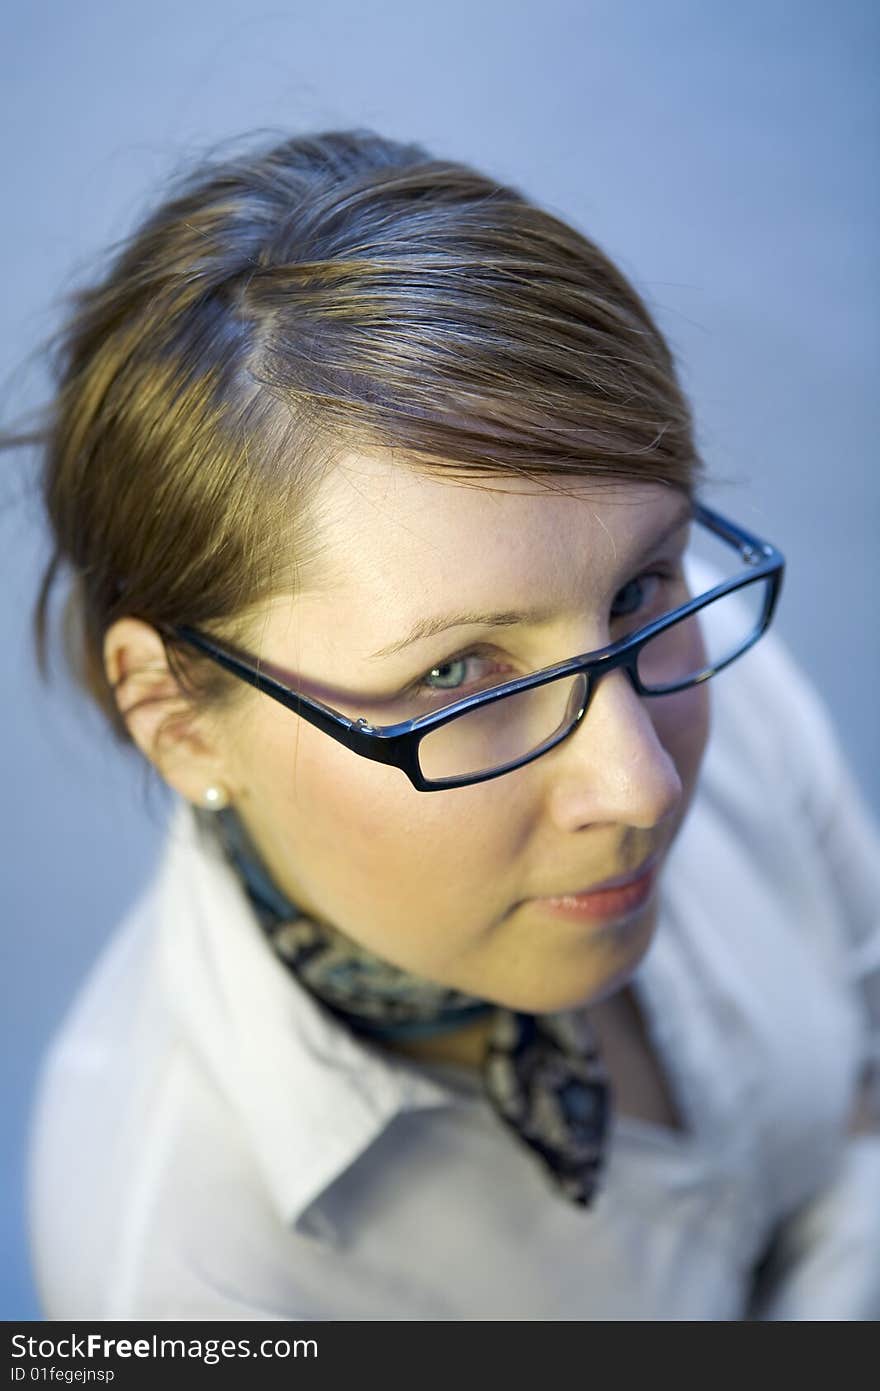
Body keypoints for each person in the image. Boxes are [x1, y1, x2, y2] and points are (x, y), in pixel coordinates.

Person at [15, 128, 880, 1320]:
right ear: (177, 717)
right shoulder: (185, 1281)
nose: (640, 783)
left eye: (639, 586)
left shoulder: (693, 674)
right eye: (462, 674)